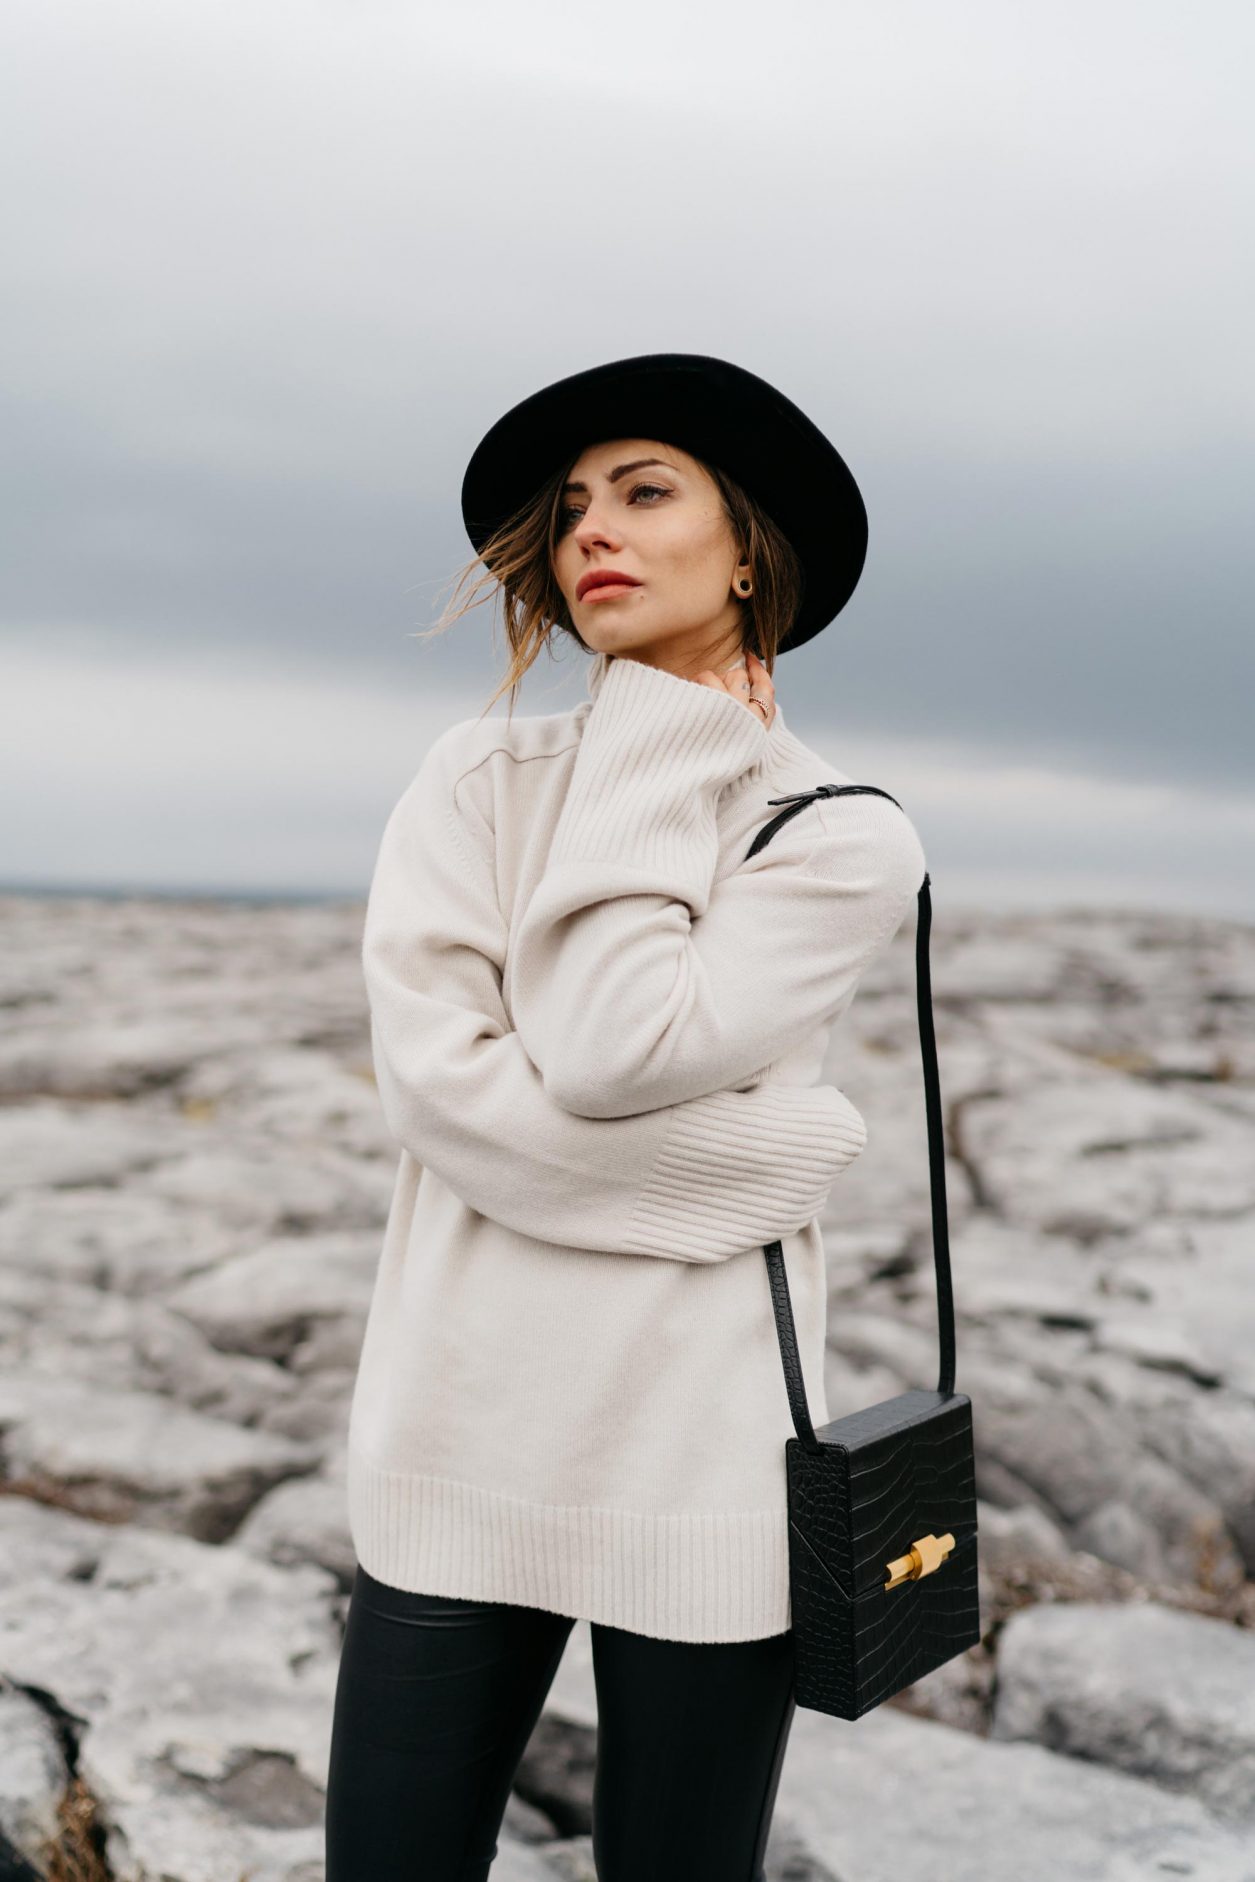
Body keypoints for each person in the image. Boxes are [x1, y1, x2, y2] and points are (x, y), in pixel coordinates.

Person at [324, 353, 928, 1880]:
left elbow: (596, 1048)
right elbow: (446, 1096)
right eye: (574, 505)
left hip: (700, 1468)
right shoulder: (476, 779)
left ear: (746, 551)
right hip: (455, 1444)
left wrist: (662, 743)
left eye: (646, 490)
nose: (592, 525)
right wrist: (782, 1156)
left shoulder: (846, 836)